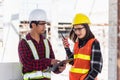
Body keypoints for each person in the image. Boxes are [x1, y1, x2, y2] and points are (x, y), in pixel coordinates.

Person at [18, 9, 60, 80]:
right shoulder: (23, 43)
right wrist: (48, 62)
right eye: (42, 24)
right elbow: (28, 64)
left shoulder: (47, 42)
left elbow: (51, 64)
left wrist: (58, 68)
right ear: (33, 25)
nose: (44, 26)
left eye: (45, 24)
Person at [62, 13, 103, 80]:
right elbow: (73, 62)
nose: (77, 32)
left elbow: (96, 69)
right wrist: (67, 48)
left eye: (79, 29)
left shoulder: (94, 43)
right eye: (75, 29)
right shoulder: (77, 44)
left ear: (86, 27)